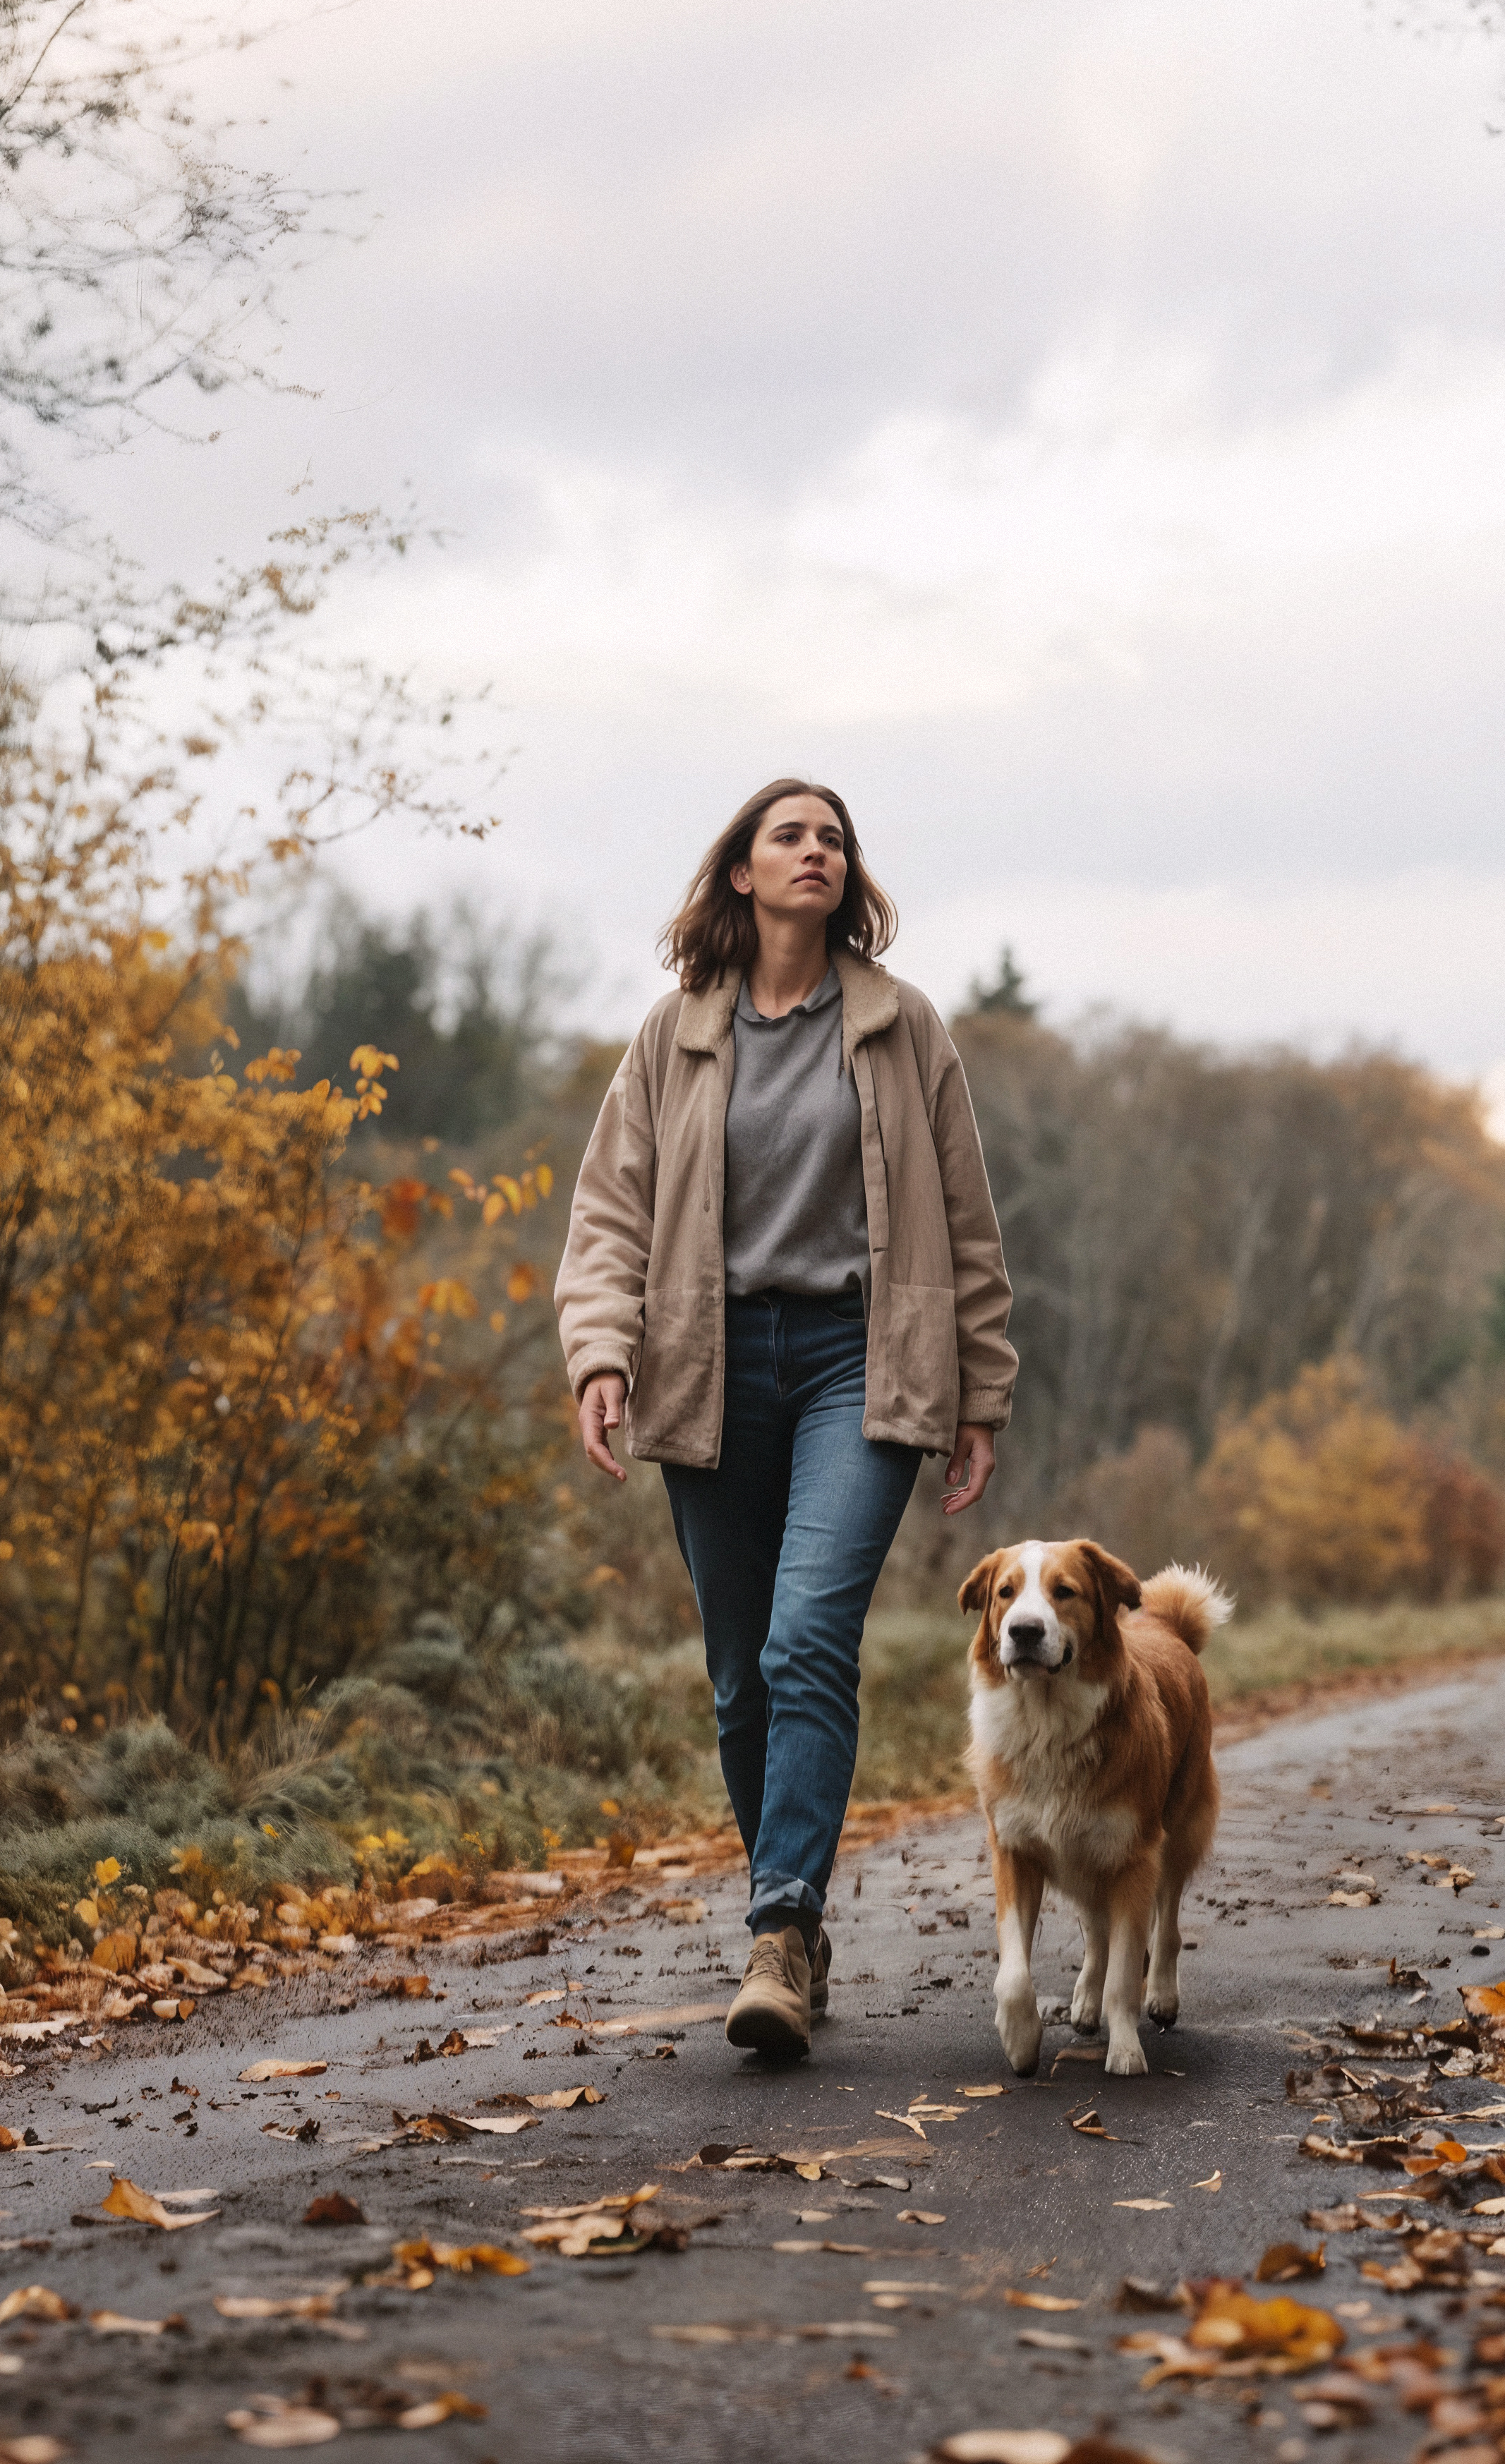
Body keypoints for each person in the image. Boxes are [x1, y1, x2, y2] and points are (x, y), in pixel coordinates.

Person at [553, 778, 1015, 2060]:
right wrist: (601, 1353)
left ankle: (779, 1922)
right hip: (705, 1362)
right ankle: (795, 1932)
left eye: (834, 839)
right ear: (743, 875)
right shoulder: (677, 1035)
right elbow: (609, 1216)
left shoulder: (904, 1029)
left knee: (810, 1633)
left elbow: (967, 1228)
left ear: (846, 877)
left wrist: (981, 1391)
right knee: (740, 1672)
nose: (817, 852)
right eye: (789, 837)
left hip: (855, 1365)